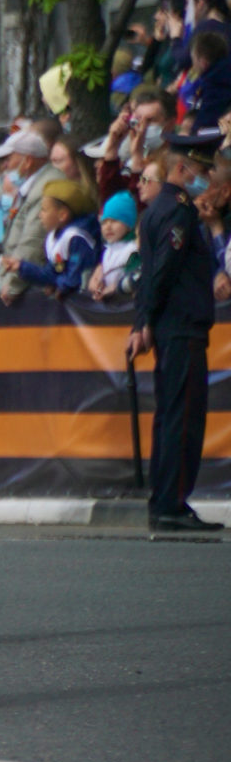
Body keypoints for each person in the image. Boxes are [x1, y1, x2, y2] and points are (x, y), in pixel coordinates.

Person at [130, 127, 222, 532]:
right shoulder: (179, 212)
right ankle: (171, 502)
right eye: (202, 168)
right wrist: (146, 319)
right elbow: (162, 273)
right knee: (182, 419)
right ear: (183, 168)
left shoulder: (157, 210)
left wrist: (143, 320)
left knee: (170, 416)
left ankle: (167, 500)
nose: (208, 175)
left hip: (172, 326)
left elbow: (149, 273)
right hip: (180, 326)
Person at [0, 128, 52, 301]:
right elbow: (6, 241)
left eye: (9, 159)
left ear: (28, 161)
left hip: (33, 292)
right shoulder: (25, 191)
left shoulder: (42, 190)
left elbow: (31, 244)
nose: (5, 166)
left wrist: (12, 285)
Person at [15, 180, 98, 296]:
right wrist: (22, 267)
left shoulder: (76, 238)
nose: (40, 215)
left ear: (62, 215)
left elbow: (74, 278)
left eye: (44, 210)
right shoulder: (53, 238)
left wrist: (59, 286)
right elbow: (51, 273)